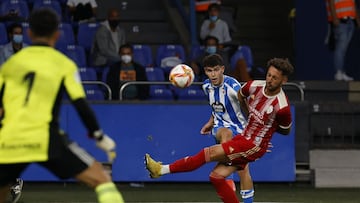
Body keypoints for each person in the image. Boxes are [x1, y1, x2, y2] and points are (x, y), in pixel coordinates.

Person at [0, 8, 124, 203]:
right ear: (57, 34)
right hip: (46, 139)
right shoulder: (64, 64)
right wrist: (98, 135)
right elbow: (80, 104)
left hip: (9, 140)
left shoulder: (9, 65)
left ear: (29, 33)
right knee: (102, 180)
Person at [145, 56, 294, 203]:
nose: (269, 79)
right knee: (216, 176)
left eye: (275, 78)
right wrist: (246, 121)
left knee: (210, 152)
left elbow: (285, 130)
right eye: (269, 75)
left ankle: (161, 169)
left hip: (250, 142)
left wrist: (263, 136)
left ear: (283, 80)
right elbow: (241, 98)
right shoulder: (253, 85)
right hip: (243, 138)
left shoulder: (282, 107)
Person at [199, 54, 254, 202]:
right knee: (226, 133)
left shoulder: (233, 87)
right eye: (209, 71)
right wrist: (210, 122)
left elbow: (247, 106)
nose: (213, 74)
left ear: (222, 69)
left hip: (240, 129)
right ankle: (227, 179)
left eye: (216, 70)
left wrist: (254, 128)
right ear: (205, 71)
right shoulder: (206, 86)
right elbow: (216, 107)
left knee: (244, 169)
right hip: (220, 128)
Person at [325, 0, 360, 81]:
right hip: (340, 21)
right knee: (340, 48)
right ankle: (338, 72)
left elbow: (353, 4)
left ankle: (342, 71)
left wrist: (357, 19)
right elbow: (331, 2)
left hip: (350, 20)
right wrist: (334, 18)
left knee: (344, 49)